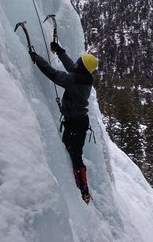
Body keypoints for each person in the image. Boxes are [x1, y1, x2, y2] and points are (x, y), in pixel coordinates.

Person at [29, 41, 98, 204]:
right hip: (76, 121)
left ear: (82, 67)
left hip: (77, 123)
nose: (76, 63)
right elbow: (71, 66)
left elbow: (53, 74)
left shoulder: (75, 81)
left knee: (75, 155)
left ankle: (83, 189)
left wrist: (38, 59)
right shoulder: (84, 76)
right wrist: (60, 51)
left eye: (79, 62)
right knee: (68, 147)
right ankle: (78, 183)